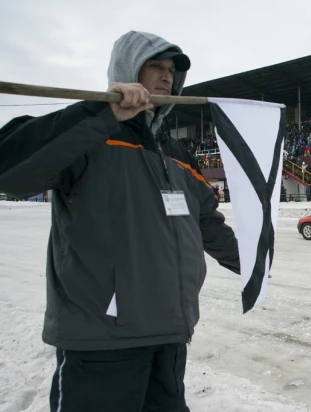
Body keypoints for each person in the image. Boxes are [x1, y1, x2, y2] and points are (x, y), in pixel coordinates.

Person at [0, 31, 243, 411]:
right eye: (156, 67)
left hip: (170, 332)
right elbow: (10, 170)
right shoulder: (90, 134)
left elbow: (206, 223)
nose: (167, 78)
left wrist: (254, 262)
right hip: (103, 340)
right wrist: (100, 113)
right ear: (128, 71)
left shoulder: (176, 152)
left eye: (171, 72)